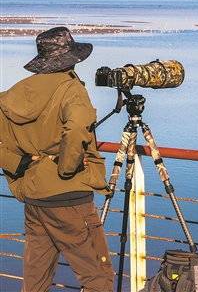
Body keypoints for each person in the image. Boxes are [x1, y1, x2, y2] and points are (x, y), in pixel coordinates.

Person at [0, 27, 114, 291]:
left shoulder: (16, 93)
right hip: (69, 200)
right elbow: (77, 126)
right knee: (98, 277)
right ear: (72, 58)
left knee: (35, 281)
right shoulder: (70, 89)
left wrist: (18, 163)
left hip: (34, 197)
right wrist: (67, 167)